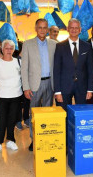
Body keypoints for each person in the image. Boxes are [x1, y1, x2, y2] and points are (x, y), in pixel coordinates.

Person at [21, 18, 56, 151]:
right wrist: (26, 87)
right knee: (34, 115)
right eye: (40, 27)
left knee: (47, 114)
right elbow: (24, 68)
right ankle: (34, 140)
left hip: (50, 84)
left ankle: (44, 138)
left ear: (47, 29)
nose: (42, 30)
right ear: (36, 28)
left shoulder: (53, 44)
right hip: (34, 85)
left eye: (45, 27)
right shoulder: (28, 44)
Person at [54, 18, 93, 110]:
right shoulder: (60, 46)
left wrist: (90, 89)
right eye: (71, 27)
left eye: (76, 28)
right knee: (64, 113)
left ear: (80, 30)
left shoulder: (87, 46)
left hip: (82, 87)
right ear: (67, 29)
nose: (74, 30)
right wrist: (57, 91)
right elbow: (56, 70)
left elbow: (90, 69)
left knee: (81, 113)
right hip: (64, 87)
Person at [0, 40, 23, 154]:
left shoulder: (18, 62)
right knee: (2, 120)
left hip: (16, 96)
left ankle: (11, 140)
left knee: (12, 120)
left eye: (11, 48)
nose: (8, 50)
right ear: (2, 49)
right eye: (6, 48)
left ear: (13, 50)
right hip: (2, 97)